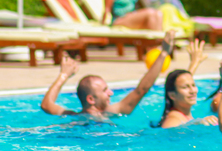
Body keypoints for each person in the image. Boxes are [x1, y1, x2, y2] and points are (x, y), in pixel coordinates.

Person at [40, 30, 175, 117]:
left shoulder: (71, 116)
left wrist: (63, 75)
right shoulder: (110, 114)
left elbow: (46, 105)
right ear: (91, 99)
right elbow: (141, 90)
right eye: (105, 90)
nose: (111, 93)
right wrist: (164, 52)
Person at [158, 39, 219, 128]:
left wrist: (195, 62)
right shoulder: (172, 121)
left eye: (193, 85)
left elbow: (184, 80)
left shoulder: (183, 115)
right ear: (172, 95)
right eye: (185, 87)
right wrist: (197, 122)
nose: (192, 91)